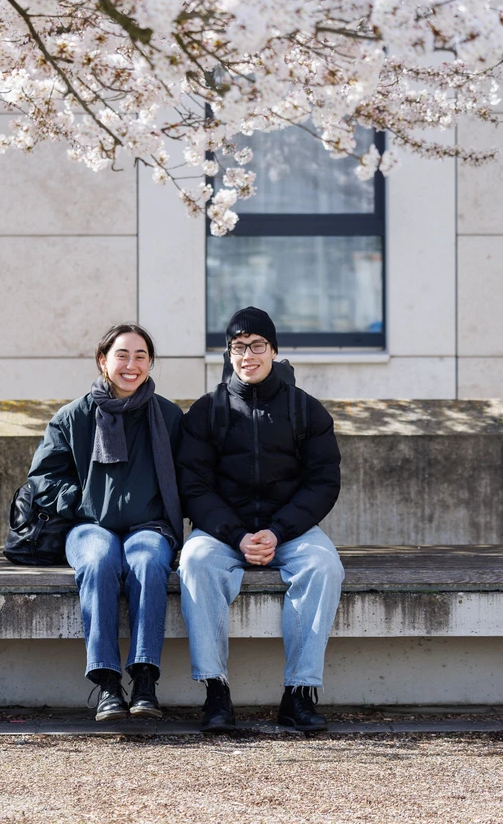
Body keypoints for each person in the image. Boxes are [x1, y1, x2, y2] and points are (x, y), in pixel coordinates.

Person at [176, 306, 343, 732]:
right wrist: (236, 535)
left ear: (273, 350)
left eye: (256, 346)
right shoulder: (206, 411)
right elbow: (194, 487)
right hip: (222, 533)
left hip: (289, 530)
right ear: (228, 353)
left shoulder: (306, 411)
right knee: (194, 562)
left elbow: (323, 482)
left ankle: (299, 695)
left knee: (324, 566)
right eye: (238, 347)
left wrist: (278, 531)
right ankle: (216, 693)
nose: (247, 355)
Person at [27, 323, 183, 721]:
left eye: (141, 356)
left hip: (149, 526)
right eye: (122, 355)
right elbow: (43, 480)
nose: (131, 365)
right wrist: (82, 501)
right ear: (103, 360)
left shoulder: (167, 415)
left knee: (148, 562)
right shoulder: (73, 416)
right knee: (98, 560)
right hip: (88, 526)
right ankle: (108, 683)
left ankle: (145, 678)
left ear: (150, 363)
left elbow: (191, 476)